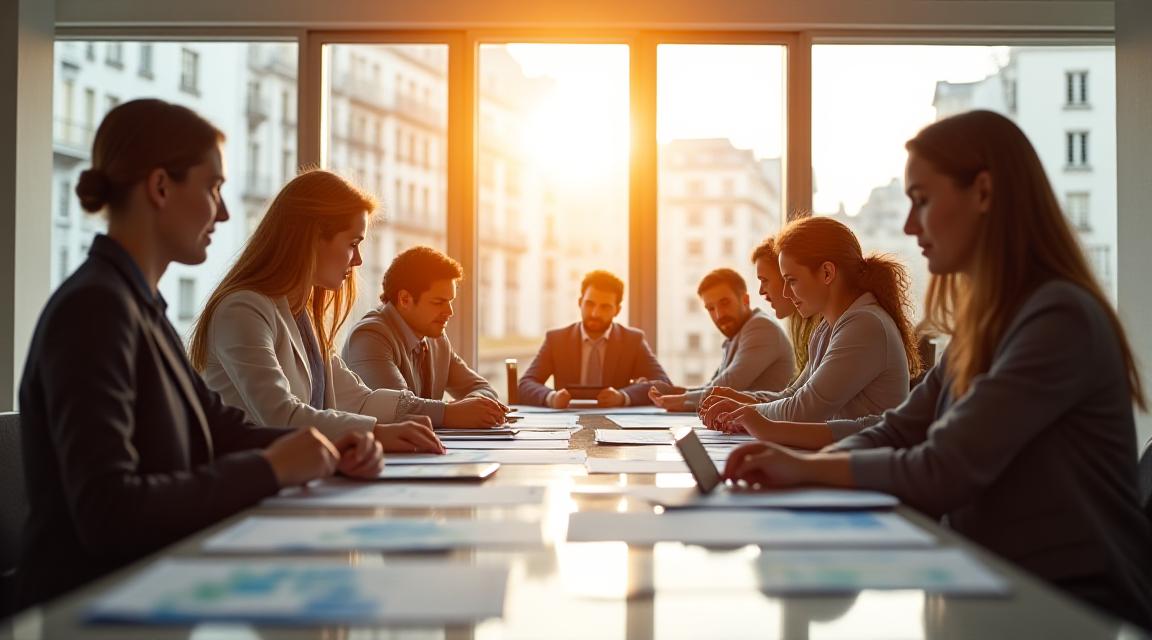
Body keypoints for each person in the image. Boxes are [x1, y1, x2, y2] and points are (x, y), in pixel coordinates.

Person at [725, 110, 1152, 628]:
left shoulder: (1057, 317)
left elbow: (943, 468)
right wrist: (804, 465)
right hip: (996, 588)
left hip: (1070, 612)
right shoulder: (986, 322)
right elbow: (899, 427)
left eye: (922, 200)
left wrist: (809, 468)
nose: (909, 224)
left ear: (984, 192)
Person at [16, 100, 384, 607]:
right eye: (213, 188)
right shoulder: (96, 310)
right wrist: (273, 468)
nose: (225, 211)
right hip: (90, 610)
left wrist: (326, 450)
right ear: (161, 187)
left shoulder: (139, 305)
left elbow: (220, 427)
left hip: (147, 591)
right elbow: (108, 512)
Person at [189, 170, 443, 453]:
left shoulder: (301, 314)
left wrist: (444, 414)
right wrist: (377, 433)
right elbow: (281, 416)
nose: (357, 260)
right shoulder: (242, 310)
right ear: (312, 239)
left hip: (300, 479)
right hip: (253, 488)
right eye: (353, 244)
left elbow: (359, 400)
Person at [700, 216, 921, 426]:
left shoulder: (865, 325)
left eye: (792, 280)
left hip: (863, 461)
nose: (786, 292)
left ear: (826, 273)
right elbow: (792, 395)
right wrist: (744, 401)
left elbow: (802, 410)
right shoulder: (828, 327)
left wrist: (741, 411)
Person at [343, 246, 507, 428]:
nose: (449, 312)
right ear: (404, 299)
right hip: (380, 453)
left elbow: (483, 388)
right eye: (438, 302)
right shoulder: (369, 337)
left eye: (450, 301)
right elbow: (396, 409)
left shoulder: (436, 338)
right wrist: (454, 412)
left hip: (419, 451)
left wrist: (476, 406)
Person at [648, 267, 793, 412]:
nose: (718, 315)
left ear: (745, 300)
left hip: (761, 427)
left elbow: (728, 386)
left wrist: (681, 399)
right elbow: (712, 386)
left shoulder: (761, 327)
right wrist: (674, 392)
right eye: (710, 308)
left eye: (725, 303)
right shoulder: (738, 334)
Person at [518, 270, 670, 408]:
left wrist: (623, 397)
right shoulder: (556, 339)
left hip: (615, 423)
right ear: (579, 302)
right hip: (565, 422)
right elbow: (525, 384)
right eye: (589, 304)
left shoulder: (633, 340)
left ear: (617, 310)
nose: (595, 313)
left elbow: (664, 384)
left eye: (605, 307)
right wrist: (551, 398)